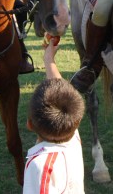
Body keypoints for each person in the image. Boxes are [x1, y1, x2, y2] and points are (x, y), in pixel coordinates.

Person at [23, 35, 85, 193]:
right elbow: (65, 95)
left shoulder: (41, 166)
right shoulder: (71, 134)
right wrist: (49, 57)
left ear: (29, 124)